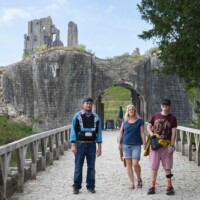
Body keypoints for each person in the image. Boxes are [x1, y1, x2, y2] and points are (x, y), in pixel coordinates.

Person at [70, 97, 102, 195]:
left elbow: (99, 132)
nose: (88, 105)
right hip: (80, 144)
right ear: (83, 104)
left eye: (90, 103)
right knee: (78, 166)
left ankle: (91, 186)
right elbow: (73, 131)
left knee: (91, 167)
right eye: (87, 103)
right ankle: (76, 186)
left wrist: (99, 147)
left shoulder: (96, 117)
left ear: (92, 105)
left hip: (91, 145)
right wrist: (73, 145)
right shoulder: (77, 116)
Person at [147, 98, 177, 195]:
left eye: (167, 105)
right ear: (161, 106)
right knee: (154, 166)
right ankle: (152, 186)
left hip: (166, 145)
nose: (165, 106)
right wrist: (152, 134)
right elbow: (149, 125)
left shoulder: (172, 118)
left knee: (167, 166)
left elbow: (174, 133)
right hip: (155, 144)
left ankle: (169, 186)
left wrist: (171, 146)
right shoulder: (156, 115)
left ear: (169, 106)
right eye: (163, 105)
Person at [118, 104, 146, 189]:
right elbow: (121, 132)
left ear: (135, 111)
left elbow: (142, 133)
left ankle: (139, 178)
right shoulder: (124, 121)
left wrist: (144, 143)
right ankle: (131, 182)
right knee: (128, 165)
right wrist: (119, 143)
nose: (131, 111)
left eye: (132, 110)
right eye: (129, 110)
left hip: (136, 145)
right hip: (126, 145)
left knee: (135, 163)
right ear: (127, 111)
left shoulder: (139, 121)